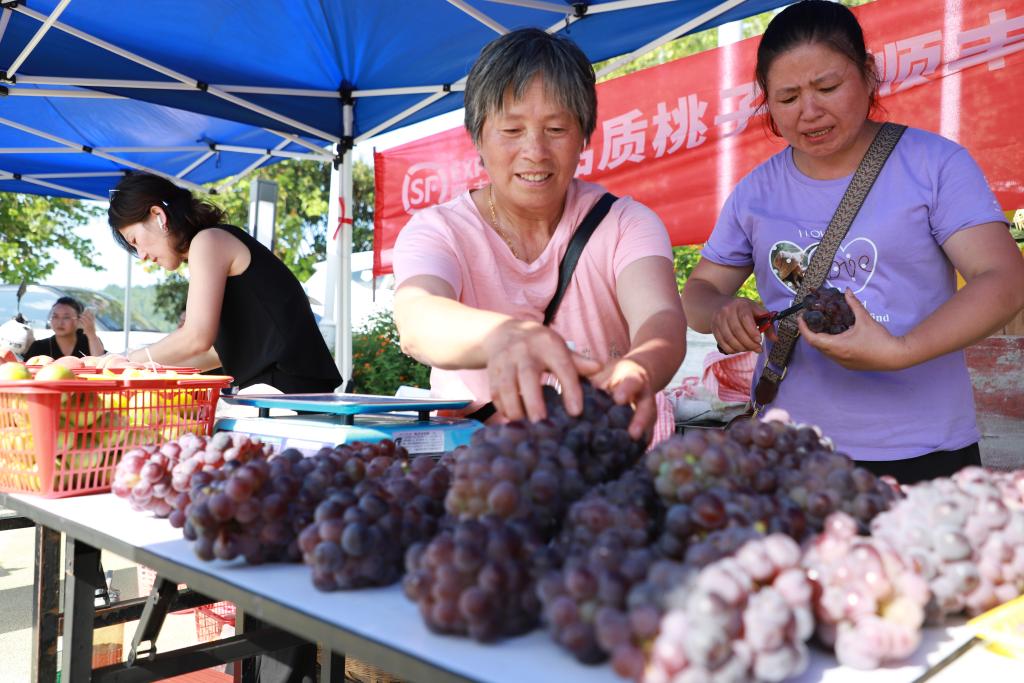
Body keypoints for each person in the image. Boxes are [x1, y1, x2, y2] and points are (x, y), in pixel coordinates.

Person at [681, 1, 1024, 483]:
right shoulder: (756, 191)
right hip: (792, 450)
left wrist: (900, 350)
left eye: (828, 87)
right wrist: (725, 309)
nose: (810, 112)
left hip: (924, 448)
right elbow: (696, 294)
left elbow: (1004, 281)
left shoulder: (934, 165)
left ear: (868, 74)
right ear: (766, 102)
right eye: (788, 97)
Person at [393, 28, 687, 442]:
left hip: (605, 460)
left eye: (556, 129)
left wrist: (640, 367)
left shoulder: (626, 224)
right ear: (477, 138)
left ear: (585, 135)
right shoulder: (438, 231)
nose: (535, 151)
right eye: (511, 131)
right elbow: (418, 317)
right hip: (484, 472)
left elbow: (660, 317)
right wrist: (506, 336)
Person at [107, 173, 341, 395]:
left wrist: (121, 361)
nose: (142, 255)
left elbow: (196, 338)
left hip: (285, 391)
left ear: (159, 215)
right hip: (293, 388)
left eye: (135, 241)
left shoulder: (208, 241)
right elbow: (216, 354)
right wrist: (143, 368)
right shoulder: (215, 241)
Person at [23, 296, 104, 359]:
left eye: (66, 317)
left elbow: (100, 364)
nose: (60, 322)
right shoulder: (39, 347)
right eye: (55, 316)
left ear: (79, 319)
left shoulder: (89, 342)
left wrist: (91, 334)